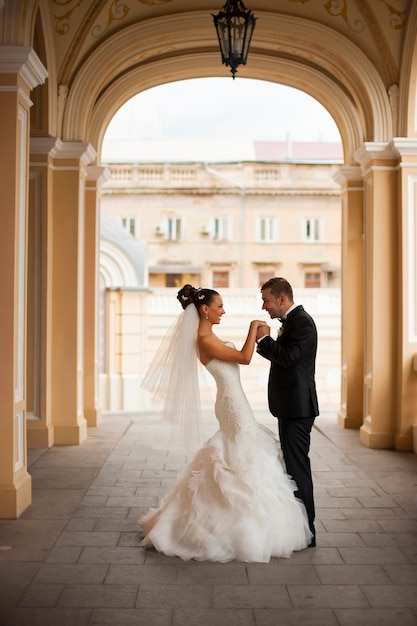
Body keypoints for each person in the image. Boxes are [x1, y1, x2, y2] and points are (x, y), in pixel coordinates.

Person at [139, 284, 312, 562]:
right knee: (240, 451)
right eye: (219, 306)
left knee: (240, 451)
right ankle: (233, 527)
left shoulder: (210, 335)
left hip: (233, 400)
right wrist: (254, 328)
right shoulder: (204, 340)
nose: (223, 310)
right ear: (204, 310)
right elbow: (244, 358)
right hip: (233, 403)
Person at [256, 277, 319, 547]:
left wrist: (265, 340)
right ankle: (299, 529)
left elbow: (291, 358)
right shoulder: (293, 322)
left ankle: (308, 532)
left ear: (282, 299)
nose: (264, 307)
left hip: (298, 408)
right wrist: (268, 343)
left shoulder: (303, 322)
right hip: (290, 406)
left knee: (298, 468)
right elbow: (286, 356)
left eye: (266, 300)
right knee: (293, 467)